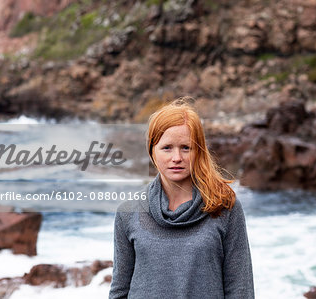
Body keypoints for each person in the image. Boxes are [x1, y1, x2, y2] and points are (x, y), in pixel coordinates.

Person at [109, 97, 255, 298]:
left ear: (198, 151)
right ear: (152, 151)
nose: (176, 158)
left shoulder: (224, 207)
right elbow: (119, 290)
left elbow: (241, 289)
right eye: (167, 147)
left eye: (186, 148)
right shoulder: (128, 212)